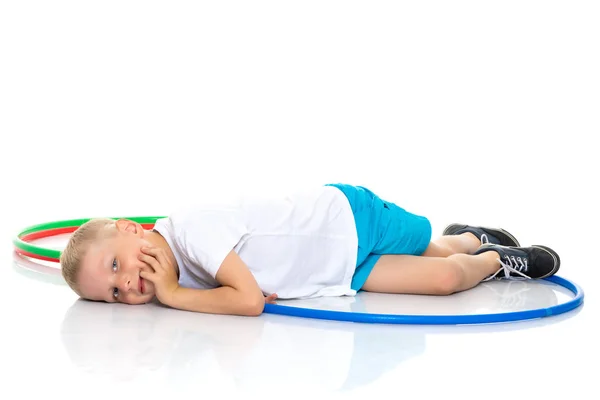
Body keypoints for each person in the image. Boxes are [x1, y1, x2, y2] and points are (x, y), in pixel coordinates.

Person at [59, 183, 560, 316]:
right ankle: (496, 262)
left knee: (437, 250)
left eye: (115, 265)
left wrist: (170, 294)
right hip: (335, 274)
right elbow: (244, 290)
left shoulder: (189, 231)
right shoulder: (183, 275)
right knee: (446, 279)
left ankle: (472, 238)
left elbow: (248, 301)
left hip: (346, 219)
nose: (127, 284)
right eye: (113, 295)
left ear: (132, 229)